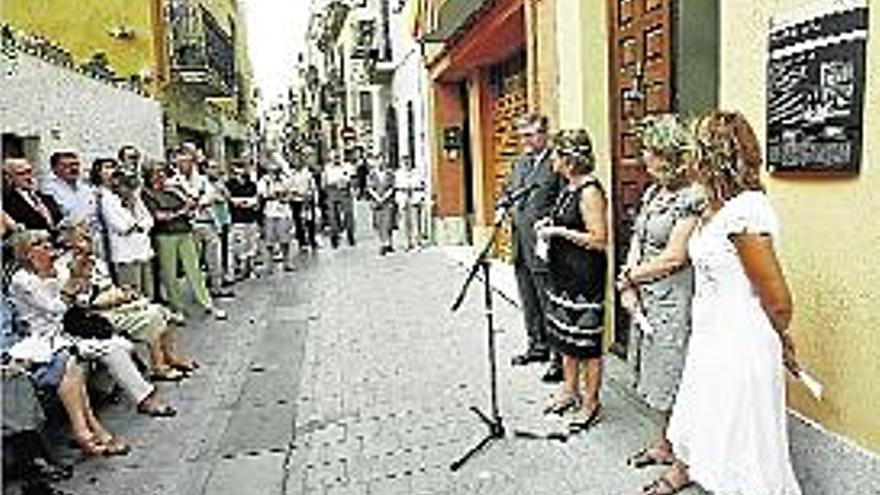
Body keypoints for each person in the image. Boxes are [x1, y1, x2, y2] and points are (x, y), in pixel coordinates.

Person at [634, 110, 803, 495]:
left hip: (741, 345)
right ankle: (686, 473)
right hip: (712, 338)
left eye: (697, 149)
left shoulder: (747, 211)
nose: (690, 156)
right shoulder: (715, 207)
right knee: (709, 426)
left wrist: (781, 339)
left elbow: (778, 301)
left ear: (712, 156)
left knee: (743, 447)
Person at [8, 229, 176, 419]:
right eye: (39, 243)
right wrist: (74, 279)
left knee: (122, 344)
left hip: (72, 329)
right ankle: (145, 399)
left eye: (47, 241)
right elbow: (54, 309)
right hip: (45, 339)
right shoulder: (22, 280)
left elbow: (83, 301)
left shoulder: (60, 270)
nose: (48, 245)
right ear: (27, 253)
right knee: (113, 349)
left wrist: (84, 279)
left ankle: (104, 391)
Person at [616, 114, 703, 467]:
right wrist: (628, 279)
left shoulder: (693, 196)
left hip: (673, 298)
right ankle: (662, 444)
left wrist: (631, 278)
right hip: (646, 293)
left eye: (650, 150)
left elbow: (674, 258)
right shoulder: (654, 191)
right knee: (655, 372)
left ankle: (685, 456)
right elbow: (638, 237)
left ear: (669, 154)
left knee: (673, 372)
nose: (644, 157)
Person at [535, 129, 608, 431]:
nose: (551, 159)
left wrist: (558, 232)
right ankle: (569, 390)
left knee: (586, 342)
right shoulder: (568, 187)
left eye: (555, 154)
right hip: (563, 274)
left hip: (584, 276)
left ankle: (591, 402)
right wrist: (549, 223)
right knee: (565, 337)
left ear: (567, 159)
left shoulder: (589, 191)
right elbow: (566, 219)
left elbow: (599, 239)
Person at [506, 113, 564, 383]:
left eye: (530, 135)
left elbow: (563, 202)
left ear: (545, 134)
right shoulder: (519, 163)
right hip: (520, 242)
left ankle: (557, 357)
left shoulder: (556, 163)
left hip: (543, 245)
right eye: (522, 135)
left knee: (547, 299)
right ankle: (537, 345)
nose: (525, 141)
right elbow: (510, 193)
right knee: (528, 298)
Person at [141, 161, 227, 321]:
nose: (161, 175)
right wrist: (182, 211)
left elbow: (192, 201)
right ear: (148, 175)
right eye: (156, 173)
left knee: (194, 269)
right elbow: (158, 216)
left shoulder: (173, 189)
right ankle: (177, 308)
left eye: (162, 172)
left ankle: (207, 304)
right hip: (164, 236)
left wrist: (182, 190)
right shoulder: (146, 193)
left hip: (185, 232)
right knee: (169, 273)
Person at [172, 145, 232, 298]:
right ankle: (199, 291)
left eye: (188, 161)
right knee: (194, 261)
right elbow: (184, 199)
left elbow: (210, 197)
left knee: (214, 258)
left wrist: (198, 200)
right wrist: (194, 199)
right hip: (190, 225)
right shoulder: (174, 181)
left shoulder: (203, 180)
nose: (185, 165)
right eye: (181, 162)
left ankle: (216, 287)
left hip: (208, 223)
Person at [100, 165, 156, 301]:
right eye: (126, 186)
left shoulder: (136, 200)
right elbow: (122, 226)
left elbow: (149, 220)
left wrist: (139, 226)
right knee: (132, 294)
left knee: (148, 292)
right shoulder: (108, 201)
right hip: (125, 254)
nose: (130, 191)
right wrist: (137, 224)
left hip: (143, 250)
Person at [2, 158, 63, 236]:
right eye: (21, 174)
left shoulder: (47, 197)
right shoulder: (7, 203)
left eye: (29, 172)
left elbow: (59, 220)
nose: (28, 177)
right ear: (9, 178)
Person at [257, 155, 295, 272]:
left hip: (284, 212)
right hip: (270, 212)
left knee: (285, 239)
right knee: (269, 240)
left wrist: (285, 196)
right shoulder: (264, 180)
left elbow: (291, 192)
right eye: (272, 168)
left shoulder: (286, 178)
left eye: (276, 168)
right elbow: (263, 194)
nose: (275, 171)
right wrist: (276, 194)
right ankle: (269, 263)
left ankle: (287, 261)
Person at [225, 159, 261, 279]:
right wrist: (240, 202)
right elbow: (229, 199)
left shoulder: (251, 184)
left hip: (251, 218)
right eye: (237, 168)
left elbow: (256, 200)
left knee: (251, 245)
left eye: (242, 167)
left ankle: (250, 268)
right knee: (238, 246)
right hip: (236, 220)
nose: (240, 171)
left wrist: (248, 202)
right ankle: (238, 269)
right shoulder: (229, 184)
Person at [322, 150, 356, 248]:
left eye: (338, 156)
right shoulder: (327, 168)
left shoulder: (347, 166)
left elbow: (353, 179)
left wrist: (348, 183)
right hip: (332, 191)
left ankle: (350, 235)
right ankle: (334, 237)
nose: (336, 159)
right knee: (333, 216)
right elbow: (324, 183)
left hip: (345, 191)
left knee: (348, 214)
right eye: (334, 157)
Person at [367, 153, 397, 255]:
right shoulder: (372, 174)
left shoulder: (390, 173)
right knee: (379, 223)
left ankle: (388, 243)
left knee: (388, 222)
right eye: (378, 160)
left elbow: (393, 187)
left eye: (383, 160)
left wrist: (385, 197)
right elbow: (370, 188)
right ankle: (383, 243)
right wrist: (377, 197)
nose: (381, 162)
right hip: (376, 201)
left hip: (388, 201)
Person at [289, 158, 319, 252]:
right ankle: (302, 242)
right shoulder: (291, 174)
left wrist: (311, 196)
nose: (296, 163)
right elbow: (289, 186)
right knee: (298, 221)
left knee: (310, 221)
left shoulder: (308, 173)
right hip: (296, 200)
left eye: (298, 161)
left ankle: (312, 240)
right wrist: (294, 193)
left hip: (307, 200)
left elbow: (313, 187)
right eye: (295, 161)